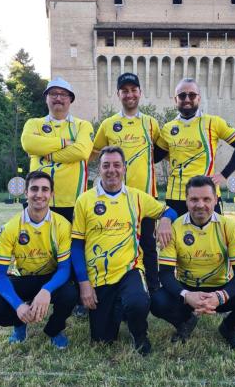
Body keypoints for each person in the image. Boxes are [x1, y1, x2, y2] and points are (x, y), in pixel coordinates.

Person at [71, 146, 178, 355]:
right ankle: (117, 309)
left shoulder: (137, 197)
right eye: (106, 165)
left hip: (130, 269)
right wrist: (84, 284)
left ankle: (139, 334)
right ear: (99, 169)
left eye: (117, 165)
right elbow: (76, 246)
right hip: (98, 277)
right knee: (102, 339)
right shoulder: (84, 200)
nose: (112, 170)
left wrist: (165, 219)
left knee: (138, 302)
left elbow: (169, 210)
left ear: (124, 168)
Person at [151, 176, 235, 352]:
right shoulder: (175, 228)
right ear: (186, 201)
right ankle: (185, 322)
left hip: (221, 289)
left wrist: (220, 296)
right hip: (189, 290)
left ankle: (230, 327)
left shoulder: (228, 226)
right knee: (157, 301)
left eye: (206, 199)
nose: (200, 205)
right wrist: (186, 295)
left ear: (215, 200)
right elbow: (166, 274)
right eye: (194, 199)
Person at [0, 171, 77, 348]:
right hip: (22, 278)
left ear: (51, 194)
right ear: (26, 193)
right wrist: (18, 306)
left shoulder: (63, 225)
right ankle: (20, 323)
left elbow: (64, 269)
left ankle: (54, 329)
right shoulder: (10, 227)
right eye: (34, 189)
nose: (39, 194)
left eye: (45, 189)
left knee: (71, 293)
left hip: (51, 278)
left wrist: (47, 290)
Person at [93, 73, 162, 292]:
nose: (129, 94)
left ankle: (154, 290)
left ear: (140, 93)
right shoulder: (108, 124)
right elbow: (96, 152)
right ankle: (112, 289)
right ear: (118, 95)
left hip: (146, 198)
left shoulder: (151, 123)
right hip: (117, 198)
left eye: (133, 90)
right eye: (125, 91)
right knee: (115, 243)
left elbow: (161, 150)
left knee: (149, 247)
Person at [155, 78, 235, 216]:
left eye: (192, 95)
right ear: (175, 100)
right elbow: (155, 156)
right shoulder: (168, 128)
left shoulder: (214, 122)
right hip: (176, 195)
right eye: (182, 95)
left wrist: (224, 174)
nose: (187, 99)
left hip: (207, 195)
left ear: (198, 98)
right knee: (176, 237)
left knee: (211, 236)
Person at [20, 77, 94, 223]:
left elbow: (82, 152)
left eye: (63, 94)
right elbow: (28, 143)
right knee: (38, 245)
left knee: (72, 245)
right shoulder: (33, 123)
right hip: (39, 200)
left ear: (70, 99)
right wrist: (63, 143)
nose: (58, 98)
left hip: (73, 202)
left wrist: (45, 152)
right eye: (53, 94)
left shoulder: (83, 125)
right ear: (46, 98)